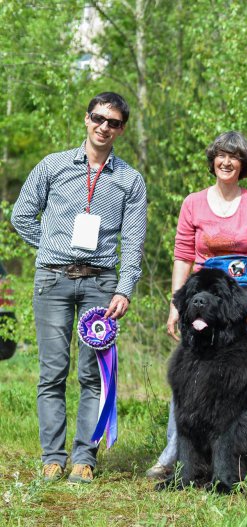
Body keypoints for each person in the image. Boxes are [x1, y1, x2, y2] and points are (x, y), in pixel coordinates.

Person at [11, 92, 147, 484]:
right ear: (86, 120)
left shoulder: (129, 181)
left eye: (114, 122)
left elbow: (133, 242)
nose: (104, 127)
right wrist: (51, 247)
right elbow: (21, 215)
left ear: (122, 129)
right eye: (98, 118)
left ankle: (84, 459)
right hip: (52, 279)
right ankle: (52, 459)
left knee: (93, 375)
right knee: (52, 372)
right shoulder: (53, 166)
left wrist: (123, 288)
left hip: (100, 284)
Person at [146, 131, 247, 479]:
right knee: (188, 382)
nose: (226, 162)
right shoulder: (193, 203)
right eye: (221, 155)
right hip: (201, 300)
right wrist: (177, 306)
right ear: (213, 160)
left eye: (234, 156)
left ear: (243, 164)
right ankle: (174, 456)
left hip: (243, 301)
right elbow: (183, 256)